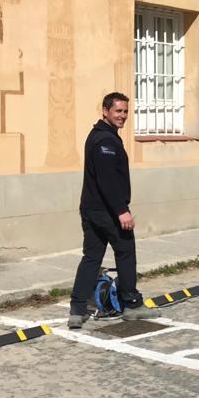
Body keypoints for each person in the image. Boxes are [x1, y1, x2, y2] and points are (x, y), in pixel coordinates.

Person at [68, 92, 155, 328]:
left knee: (92, 256)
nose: (123, 116)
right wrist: (121, 211)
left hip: (91, 208)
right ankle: (132, 304)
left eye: (126, 111)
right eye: (118, 111)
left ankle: (77, 310)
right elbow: (107, 180)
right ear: (105, 111)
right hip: (106, 210)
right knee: (126, 251)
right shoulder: (105, 141)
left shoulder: (99, 136)